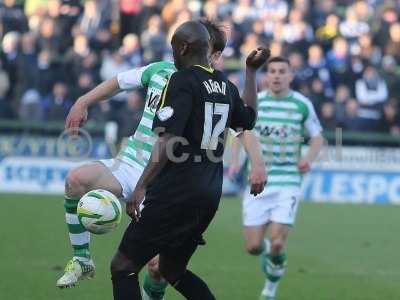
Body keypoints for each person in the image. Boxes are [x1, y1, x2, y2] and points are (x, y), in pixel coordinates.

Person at [57, 18, 266, 300]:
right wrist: (251, 73)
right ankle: (82, 258)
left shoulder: (183, 81)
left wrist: (142, 186)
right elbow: (248, 119)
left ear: (185, 49)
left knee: (125, 266)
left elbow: (168, 140)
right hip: (204, 190)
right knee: (172, 269)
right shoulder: (224, 86)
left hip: (169, 183)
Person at [229, 56, 324, 300]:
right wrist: (234, 162)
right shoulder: (255, 103)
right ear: (266, 76)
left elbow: (317, 137)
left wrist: (309, 159)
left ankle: (270, 288)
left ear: (290, 76)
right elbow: (241, 133)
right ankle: (270, 253)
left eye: (282, 71)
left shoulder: (301, 105)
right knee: (253, 247)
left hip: (288, 181)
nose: (277, 75)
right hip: (258, 182)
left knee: (279, 241)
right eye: (272, 71)